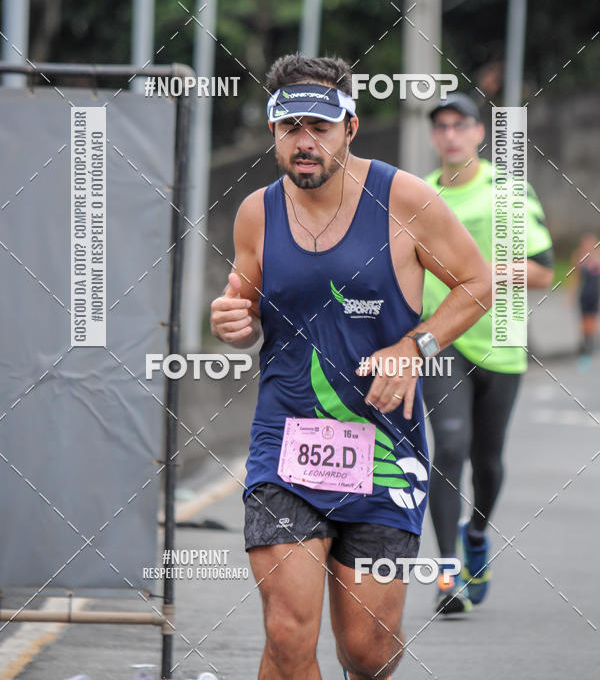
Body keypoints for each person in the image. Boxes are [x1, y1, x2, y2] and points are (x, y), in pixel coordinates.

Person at [211, 56, 492, 680]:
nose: (304, 142)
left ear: (351, 128)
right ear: (272, 132)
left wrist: (414, 347)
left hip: (385, 445)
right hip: (285, 440)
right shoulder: (257, 211)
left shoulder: (405, 198)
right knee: (287, 634)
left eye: (320, 127)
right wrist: (231, 324)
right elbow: (243, 305)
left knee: (367, 652)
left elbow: (478, 283)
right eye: (290, 128)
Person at [422, 92, 554, 615]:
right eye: (441, 126)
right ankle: (448, 571)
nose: (450, 134)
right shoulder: (420, 197)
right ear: (434, 137)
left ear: (479, 133)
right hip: (441, 340)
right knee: (449, 445)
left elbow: (543, 272)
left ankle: (477, 532)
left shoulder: (509, 191)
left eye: (460, 125)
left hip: (500, 339)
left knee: (488, 461)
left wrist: (483, 275)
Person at [570, 232, 600, 365]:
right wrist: (570, 295)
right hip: (584, 293)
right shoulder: (578, 256)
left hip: (595, 293)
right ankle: (585, 342)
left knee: (591, 320)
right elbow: (575, 277)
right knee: (583, 321)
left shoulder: (598, 257)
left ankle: (589, 345)